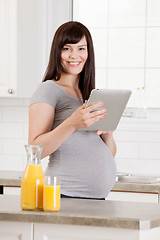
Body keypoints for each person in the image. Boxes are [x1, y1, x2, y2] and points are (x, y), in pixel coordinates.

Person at [29, 21, 117, 200]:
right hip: (64, 195)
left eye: (81, 49)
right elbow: (35, 150)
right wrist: (71, 124)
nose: (74, 55)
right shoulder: (49, 89)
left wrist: (108, 135)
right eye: (67, 48)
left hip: (96, 200)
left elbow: (108, 154)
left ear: (88, 53)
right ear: (57, 52)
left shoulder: (90, 94)